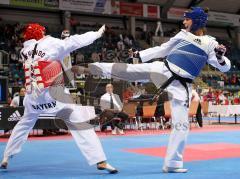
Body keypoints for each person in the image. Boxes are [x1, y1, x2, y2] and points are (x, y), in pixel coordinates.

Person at [73, 7, 231, 173]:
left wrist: (220, 57)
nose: (184, 22)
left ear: (196, 21)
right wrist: (139, 55)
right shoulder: (182, 35)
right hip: (163, 70)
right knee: (128, 70)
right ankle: (93, 68)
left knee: (181, 125)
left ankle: (173, 164)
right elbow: (162, 49)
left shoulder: (210, 43)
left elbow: (225, 67)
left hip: (182, 85)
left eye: (187, 19)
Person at [0, 23, 118, 174]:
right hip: (52, 94)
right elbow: (76, 41)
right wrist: (95, 34)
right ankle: (100, 161)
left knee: (23, 125)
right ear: (40, 33)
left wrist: (63, 50)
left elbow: (49, 55)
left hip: (33, 98)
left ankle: (6, 156)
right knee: (79, 123)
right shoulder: (51, 44)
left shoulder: (25, 50)